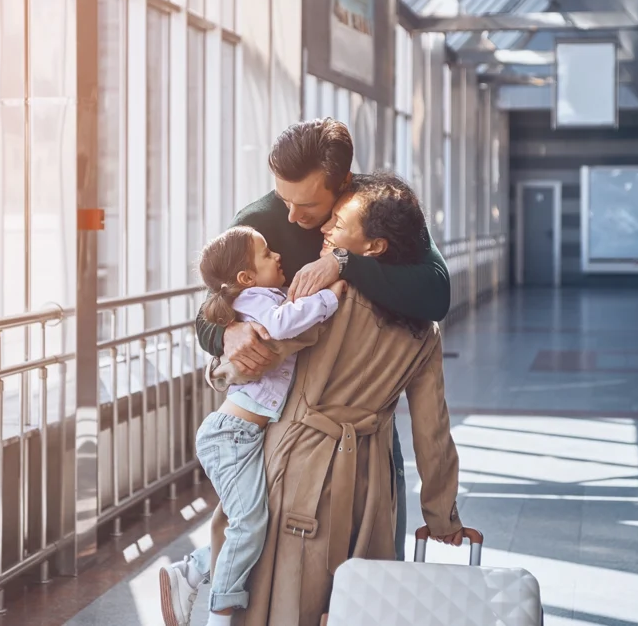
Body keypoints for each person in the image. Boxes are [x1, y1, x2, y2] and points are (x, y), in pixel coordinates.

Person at [161, 174, 461, 626]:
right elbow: (432, 428)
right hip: (371, 478)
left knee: (277, 592)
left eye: (338, 224)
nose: (324, 230)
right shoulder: (425, 333)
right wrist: (442, 517)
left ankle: (201, 584)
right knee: (358, 600)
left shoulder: (324, 300)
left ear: (374, 247)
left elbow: (262, 350)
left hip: (297, 461)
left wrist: (222, 363)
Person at [199, 118, 451, 560]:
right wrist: (227, 332)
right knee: (265, 561)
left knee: (366, 575)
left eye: (312, 207)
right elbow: (209, 314)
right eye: (284, 199)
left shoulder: (375, 210)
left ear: (344, 186)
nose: (294, 218)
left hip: (365, 429)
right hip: (282, 422)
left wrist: (342, 262)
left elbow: (435, 292)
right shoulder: (258, 223)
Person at [161, 226, 346, 626]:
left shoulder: (266, 294)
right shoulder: (256, 299)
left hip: (247, 434)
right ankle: (220, 614)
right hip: (231, 435)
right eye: (266, 254)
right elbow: (283, 325)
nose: (277, 255)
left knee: (254, 520)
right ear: (246, 278)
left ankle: (192, 569)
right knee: (249, 523)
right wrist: (331, 297)